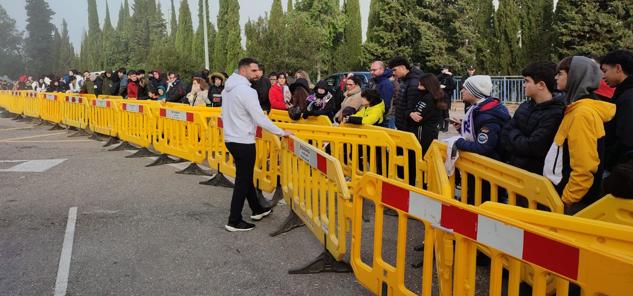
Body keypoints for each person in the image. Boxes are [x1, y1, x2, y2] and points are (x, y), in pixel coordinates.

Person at [221, 57, 292, 232]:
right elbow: (260, 118)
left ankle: (257, 209)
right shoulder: (246, 91)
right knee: (242, 180)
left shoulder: (228, 88)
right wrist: (281, 132)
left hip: (231, 138)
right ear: (243, 70)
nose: (257, 73)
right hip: (243, 140)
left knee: (244, 176)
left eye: (258, 70)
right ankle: (234, 220)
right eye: (253, 70)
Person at [543, 56, 616, 215]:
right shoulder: (575, 109)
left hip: (574, 203)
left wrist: (566, 200)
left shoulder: (582, 114)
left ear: (575, 76)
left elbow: (584, 167)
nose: (555, 77)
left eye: (560, 73)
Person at [501, 61, 566, 174]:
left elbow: (534, 147)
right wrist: (521, 140)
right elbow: (504, 134)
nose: (523, 85)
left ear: (541, 85)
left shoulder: (556, 112)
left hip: (536, 178)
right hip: (516, 171)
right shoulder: (524, 106)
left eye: (527, 81)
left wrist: (514, 135)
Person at [451, 75, 511, 160]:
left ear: (474, 92)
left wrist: (458, 142)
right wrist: (462, 128)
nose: (461, 91)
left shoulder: (488, 116)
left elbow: (482, 147)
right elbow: (477, 134)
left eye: (465, 88)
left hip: (491, 167)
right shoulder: (479, 108)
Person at [600, 49, 633, 173]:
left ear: (618, 68)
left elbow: (626, 139)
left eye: (605, 71)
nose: (603, 77)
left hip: (618, 169)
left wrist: (607, 161)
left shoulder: (627, 98)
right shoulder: (623, 94)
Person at [409, 73, 447, 152]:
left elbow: (417, 117)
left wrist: (410, 114)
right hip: (432, 132)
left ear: (428, 86)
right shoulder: (437, 95)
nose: (418, 87)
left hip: (423, 134)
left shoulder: (427, 98)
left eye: (421, 85)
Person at [388, 56, 424, 132]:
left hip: (408, 127)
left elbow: (412, 108)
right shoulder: (405, 80)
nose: (393, 73)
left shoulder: (414, 82)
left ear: (402, 67)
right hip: (403, 125)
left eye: (395, 70)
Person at [368, 61, 395, 128]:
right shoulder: (375, 81)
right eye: (371, 70)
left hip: (383, 119)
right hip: (376, 116)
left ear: (382, 69)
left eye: (374, 70)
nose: (372, 72)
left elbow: (385, 105)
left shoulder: (385, 84)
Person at [437, 65, 457, 132]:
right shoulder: (441, 76)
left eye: (444, 69)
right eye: (442, 69)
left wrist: (445, 87)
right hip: (441, 96)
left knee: (445, 112)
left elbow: (453, 86)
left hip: (447, 97)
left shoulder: (450, 77)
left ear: (447, 69)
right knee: (440, 112)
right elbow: (436, 79)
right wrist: (442, 73)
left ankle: (446, 127)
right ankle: (440, 126)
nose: (442, 70)